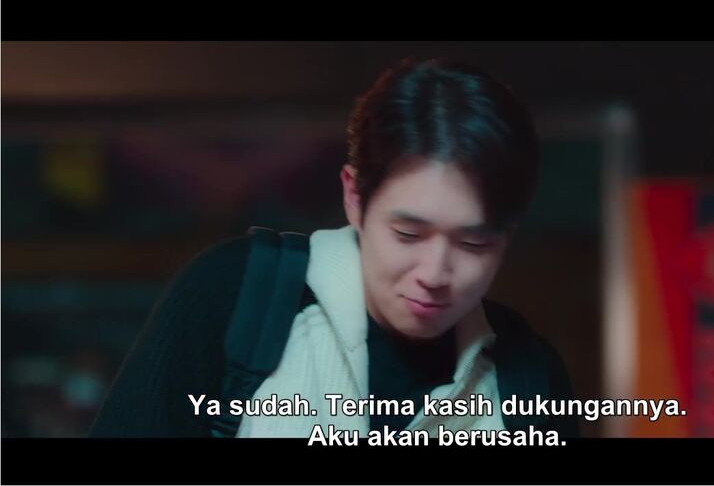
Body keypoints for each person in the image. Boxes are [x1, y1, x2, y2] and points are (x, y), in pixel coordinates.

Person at [89, 58, 579, 439]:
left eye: (473, 243)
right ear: (354, 197)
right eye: (407, 234)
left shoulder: (527, 377)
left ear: (508, 237)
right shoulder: (235, 298)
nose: (434, 273)